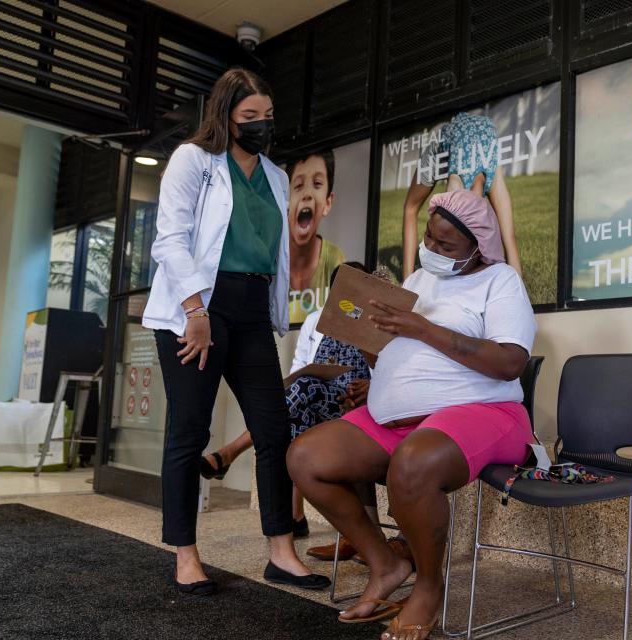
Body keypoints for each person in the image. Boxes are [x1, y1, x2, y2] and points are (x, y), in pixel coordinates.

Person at [287, 189, 537, 640]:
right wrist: (369, 343)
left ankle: (428, 585)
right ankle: (385, 563)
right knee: (306, 457)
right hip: (397, 418)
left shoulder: (501, 281)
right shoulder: (419, 280)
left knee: (414, 461)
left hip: (484, 411)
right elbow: (397, 360)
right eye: (430, 238)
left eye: (446, 246)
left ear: (477, 247)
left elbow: (509, 363)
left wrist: (422, 328)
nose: (432, 250)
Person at [142, 67, 329, 596]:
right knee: (190, 432)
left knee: (274, 432)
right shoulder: (193, 161)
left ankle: (280, 552)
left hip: (249, 314)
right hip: (198, 307)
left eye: (267, 117)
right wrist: (195, 312)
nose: (262, 126)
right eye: (250, 118)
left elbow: (273, 253)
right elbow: (170, 241)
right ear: (224, 116)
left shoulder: (273, 176)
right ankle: (184, 555)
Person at [200, 263, 384, 549]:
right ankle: (296, 516)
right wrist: (304, 375)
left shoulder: (375, 326)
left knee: (295, 403)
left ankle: (232, 453)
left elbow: (386, 374)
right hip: (320, 397)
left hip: (358, 404)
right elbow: (301, 367)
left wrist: (369, 390)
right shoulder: (316, 319)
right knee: (300, 394)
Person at [402, 113, 522, 280]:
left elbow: (509, 239)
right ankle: (407, 281)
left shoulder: (494, 174)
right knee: (411, 207)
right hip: (442, 145)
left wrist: (515, 289)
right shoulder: (455, 186)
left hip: (480, 137)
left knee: (507, 235)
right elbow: (443, 234)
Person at [288, 149, 346, 324]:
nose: (307, 194)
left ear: (328, 203)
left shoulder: (335, 260)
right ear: (286, 201)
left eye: (317, 183)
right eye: (298, 186)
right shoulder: (271, 261)